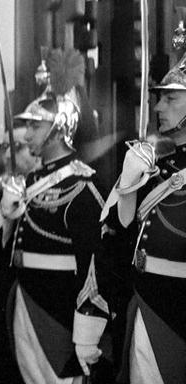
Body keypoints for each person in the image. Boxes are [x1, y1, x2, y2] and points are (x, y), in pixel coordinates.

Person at [0, 51, 111, 383]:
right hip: (22, 302)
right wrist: (5, 216)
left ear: (59, 127)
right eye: (26, 126)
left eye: (35, 126)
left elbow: (94, 266)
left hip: (57, 314)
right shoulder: (28, 181)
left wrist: (87, 330)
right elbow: (3, 249)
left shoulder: (84, 185)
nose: (26, 136)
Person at [100, 51, 186, 384]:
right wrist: (128, 187)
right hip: (145, 309)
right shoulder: (155, 170)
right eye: (158, 99)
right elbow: (118, 245)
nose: (159, 107)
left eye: (170, 99)